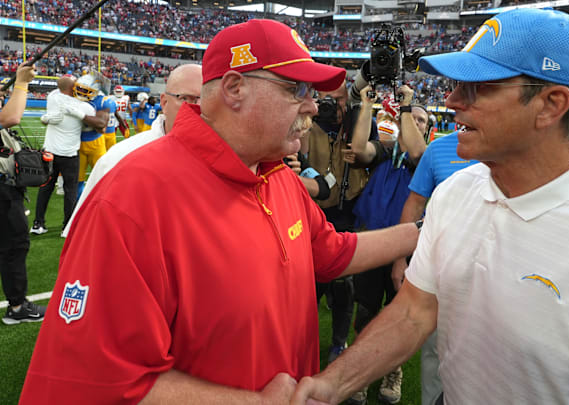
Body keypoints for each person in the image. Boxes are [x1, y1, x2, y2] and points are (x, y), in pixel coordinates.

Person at [291, 8, 569, 405]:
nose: (454, 100)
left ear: (552, 105)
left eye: (479, 87)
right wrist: (329, 386)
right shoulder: (458, 192)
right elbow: (414, 312)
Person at [21, 19, 420, 404]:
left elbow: (330, 251)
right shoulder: (133, 197)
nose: (312, 107)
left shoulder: (276, 175)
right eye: (297, 88)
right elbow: (97, 379)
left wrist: (422, 230)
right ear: (234, 88)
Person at [346, 85, 427, 405]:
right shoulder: (387, 149)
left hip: (404, 252)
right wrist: (366, 105)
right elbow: (360, 149)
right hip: (371, 242)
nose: (416, 123)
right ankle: (362, 375)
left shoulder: (426, 159)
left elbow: (417, 151)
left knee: (397, 316)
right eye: (412, 118)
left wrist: (407, 107)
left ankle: (393, 370)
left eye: (421, 120)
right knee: (365, 311)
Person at [389, 130, 478, 405]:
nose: (456, 103)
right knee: (434, 352)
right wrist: (400, 258)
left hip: (491, 277)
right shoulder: (438, 149)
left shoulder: (512, 149)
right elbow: (415, 203)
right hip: (442, 271)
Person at [62, 64, 202, 237]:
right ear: (164, 102)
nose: (198, 107)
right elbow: (85, 232)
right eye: (186, 98)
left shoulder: (233, 157)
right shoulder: (119, 157)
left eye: (206, 99)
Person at [302, 78, 379, 366]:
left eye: (341, 98)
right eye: (328, 98)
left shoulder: (359, 122)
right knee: (310, 284)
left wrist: (360, 109)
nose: (335, 104)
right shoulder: (311, 122)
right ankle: (302, 338)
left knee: (344, 285)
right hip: (315, 212)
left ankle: (338, 342)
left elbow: (364, 147)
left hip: (349, 213)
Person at [0, 62, 47, 324]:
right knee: (15, 246)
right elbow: (11, 117)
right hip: (3, 192)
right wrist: (21, 83)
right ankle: (17, 308)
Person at [31, 75, 108, 235]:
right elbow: (101, 127)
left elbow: (61, 86)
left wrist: (45, 119)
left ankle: (38, 224)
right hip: (69, 153)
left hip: (49, 151)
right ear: (73, 87)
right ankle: (67, 226)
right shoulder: (85, 108)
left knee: (45, 188)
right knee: (70, 190)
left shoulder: (53, 97)